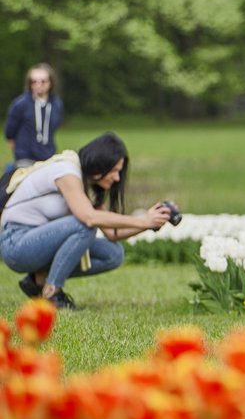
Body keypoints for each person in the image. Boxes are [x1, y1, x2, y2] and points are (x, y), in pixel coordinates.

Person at [0, 132, 172, 309]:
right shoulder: (67, 171)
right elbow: (89, 219)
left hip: (38, 244)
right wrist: (143, 220)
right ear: (100, 164)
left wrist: (150, 222)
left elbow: (113, 234)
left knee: (113, 254)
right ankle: (52, 293)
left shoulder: (86, 186)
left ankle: (38, 280)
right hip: (16, 243)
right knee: (84, 225)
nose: (117, 178)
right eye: (114, 170)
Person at [5, 63, 65, 170]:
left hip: (48, 155)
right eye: (34, 81)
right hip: (25, 157)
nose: (38, 85)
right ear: (29, 83)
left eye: (43, 81)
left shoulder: (56, 104)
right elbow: (10, 133)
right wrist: (20, 151)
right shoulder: (20, 104)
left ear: (51, 83)